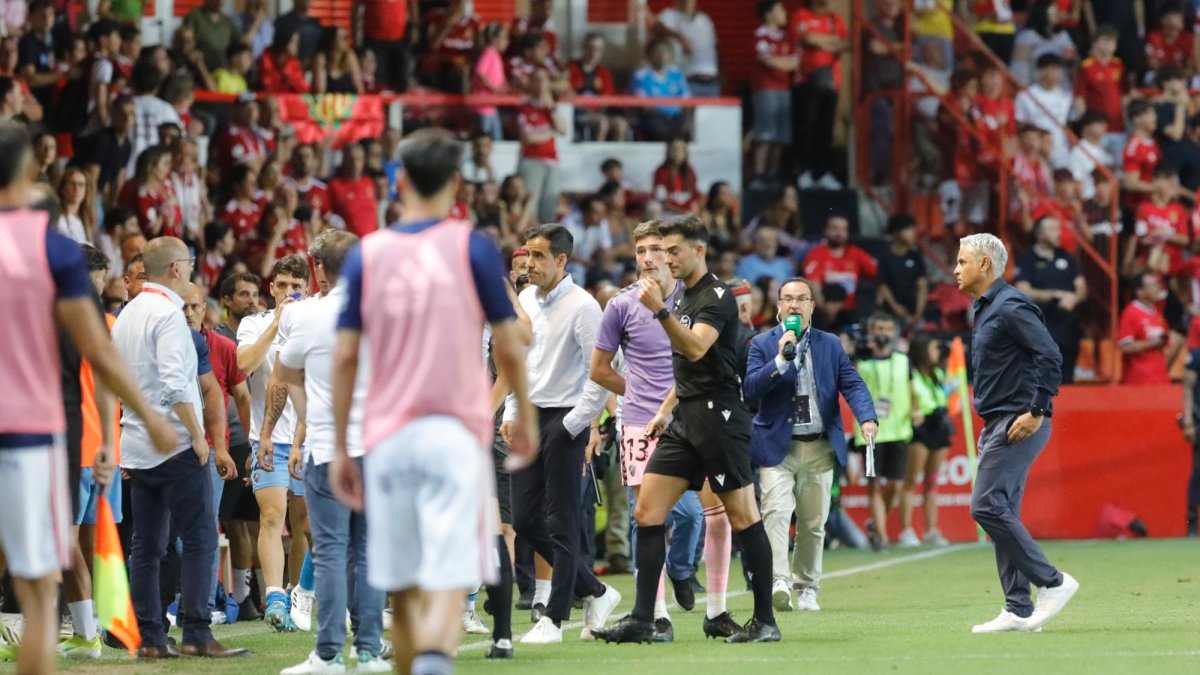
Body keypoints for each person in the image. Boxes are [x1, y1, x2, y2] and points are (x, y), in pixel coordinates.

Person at [330, 128, 539, 673]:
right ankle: (432, 662)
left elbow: (346, 358)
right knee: (447, 578)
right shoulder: (472, 247)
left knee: (403, 588)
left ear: (397, 181)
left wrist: (339, 445)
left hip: (387, 436)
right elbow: (511, 342)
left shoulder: (367, 255)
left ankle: (416, 661)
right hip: (454, 435)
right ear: (455, 182)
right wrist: (527, 417)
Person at [0, 124, 173, 671]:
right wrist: (148, 416)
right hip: (30, 432)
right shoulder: (51, 251)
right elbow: (97, 350)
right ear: (30, 171)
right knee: (35, 587)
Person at [595, 216, 781, 644]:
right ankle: (646, 619)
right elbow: (688, 368)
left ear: (699, 250)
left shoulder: (716, 297)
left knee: (742, 516)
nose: (666, 258)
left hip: (719, 420)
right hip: (684, 420)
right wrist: (666, 409)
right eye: (662, 250)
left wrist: (659, 310)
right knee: (648, 512)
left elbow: (696, 346)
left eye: (673, 250)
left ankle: (765, 621)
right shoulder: (683, 297)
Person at [590, 221, 728, 640]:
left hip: (696, 417)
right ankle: (658, 614)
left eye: (656, 249)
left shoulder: (696, 299)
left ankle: (704, 594)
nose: (649, 258)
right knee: (646, 518)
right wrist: (639, 393)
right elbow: (599, 369)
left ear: (673, 254)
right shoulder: (620, 305)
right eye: (641, 251)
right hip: (640, 423)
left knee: (712, 515)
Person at [112, 236, 246, 658]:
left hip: (135, 444)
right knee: (201, 536)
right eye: (188, 263)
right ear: (174, 268)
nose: (191, 269)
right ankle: (196, 633)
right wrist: (197, 436)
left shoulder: (128, 314)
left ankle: (150, 637)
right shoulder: (169, 315)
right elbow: (175, 383)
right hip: (173, 443)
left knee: (146, 547)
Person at [498, 223, 620, 644]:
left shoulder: (585, 307)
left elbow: (602, 372)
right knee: (527, 520)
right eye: (527, 255)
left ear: (561, 260)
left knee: (563, 521)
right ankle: (597, 592)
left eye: (537, 256)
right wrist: (513, 409)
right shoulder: (527, 300)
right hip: (530, 415)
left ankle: (553, 620)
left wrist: (575, 423)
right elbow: (520, 361)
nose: (528, 263)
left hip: (565, 418)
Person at [275, 230, 390, 673]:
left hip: (329, 448)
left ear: (318, 268)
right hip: (376, 446)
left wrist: (310, 418)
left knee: (329, 552)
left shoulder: (304, 316)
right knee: (367, 553)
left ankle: (326, 655)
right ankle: (367, 650)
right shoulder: (382, 312)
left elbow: (286, 373)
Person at [953, 232, 1078, 633]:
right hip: (999, 420)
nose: (955, 269)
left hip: (1021, 418)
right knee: (1001, 508)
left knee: (985, 506)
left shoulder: (1011, 305)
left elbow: (1050, 354)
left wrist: (1037, 409)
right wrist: (990, 425)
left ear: (984, 265)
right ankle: (1018, 608)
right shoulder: (988, 308)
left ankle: (1054, 582)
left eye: (961, 262)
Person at [743, 276, 876, 612]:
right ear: (778, 307)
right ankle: (778, 581)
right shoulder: (761, 344)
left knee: (813, 522)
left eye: (802, 299)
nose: (794, 305)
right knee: (774, 512)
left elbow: (853, 384)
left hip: (818, 445)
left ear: (812, 307)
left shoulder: (830, 344)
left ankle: (807, 587)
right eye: (788, 299)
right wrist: (780, 361)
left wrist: (867, 418)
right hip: (778, 447)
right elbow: (750, 391)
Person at [236, 254, 311, 631]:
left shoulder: (315, 323)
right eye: (282, 286)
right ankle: (275, 597)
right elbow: (243, 366)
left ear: (308, 288)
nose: (289, 293)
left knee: (306, 525)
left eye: (296, 287)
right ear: (271, 288)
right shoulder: (254, 323)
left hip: (312, 438)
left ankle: (299, 595)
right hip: (268, 441)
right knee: (270, 516)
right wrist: (276, 325)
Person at [853, 312, 913, 550]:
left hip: (899, 429)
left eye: (887, 328)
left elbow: (911, 389)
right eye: (878, 328)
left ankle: (876, 524)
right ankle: (882, 536)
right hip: (870, 430)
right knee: (875, 484)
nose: (883, 333)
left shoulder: (903, 360)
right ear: (870, 331)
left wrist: (915, 410)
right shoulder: (861, 361)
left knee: (896, 485)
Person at [897, 332, 954, 548]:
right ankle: (907, 530)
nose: (936, 352)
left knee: (931, 482)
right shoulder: (910, 373)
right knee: (910, 481)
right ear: (922, 351)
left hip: (938, 425)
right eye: (933, 348)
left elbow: (945, 393)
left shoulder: (937, 374)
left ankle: (931, 530)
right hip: (920, 427)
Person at [1014, 217, 1087, 384]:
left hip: (1067, 325)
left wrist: (1073, 299)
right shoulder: (1027, 259)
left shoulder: (1066, 257)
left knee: (1066, 373)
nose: (1058, 234)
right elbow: (1023, 290)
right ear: (1040, 234)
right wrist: (1056, 295)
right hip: (1040, 324)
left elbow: (1081, 287)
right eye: (1053, 229)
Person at [801, 215, 879, 314]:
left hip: (851, 310)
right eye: (835, 228)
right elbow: (813, 283)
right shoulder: (816, 254)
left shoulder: (856, 253)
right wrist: (823, 311)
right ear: (825, 230)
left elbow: (878, 273)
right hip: (823, 310)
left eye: (843, 229)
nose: (839, 233)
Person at [652, 0, 720, 97]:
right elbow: (656, 27)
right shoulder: (671, 16)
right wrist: (679, 37)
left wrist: (721, 77)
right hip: (689, 81)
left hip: (712, 82)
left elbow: (715, 49)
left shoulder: (704, 20)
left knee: (712, 112)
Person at [1117, 274, 1171, 385]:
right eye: (1152, 285)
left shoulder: (1157, 313)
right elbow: (1125, 346)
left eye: (1157, 284)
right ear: (1140, 291)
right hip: (1140, 380)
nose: (1157, 288)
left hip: (1160, 378)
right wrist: (1153, 344)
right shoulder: (1131, 312)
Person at [876, 213, 928, 327]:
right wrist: (895, 307)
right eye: (908, 230)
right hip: (890, 314)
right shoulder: (885, 257)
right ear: (896, 232)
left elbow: (922, 286)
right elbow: (882, 285)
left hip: (913, 314)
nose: (913, 234)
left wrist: (918, 313)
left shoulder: (916, 256)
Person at [1179, 347, 1200, 537]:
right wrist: (1188, 421)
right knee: (1198, 473)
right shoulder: (1196, 355)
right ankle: (1192, 522)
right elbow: (1188, 388)